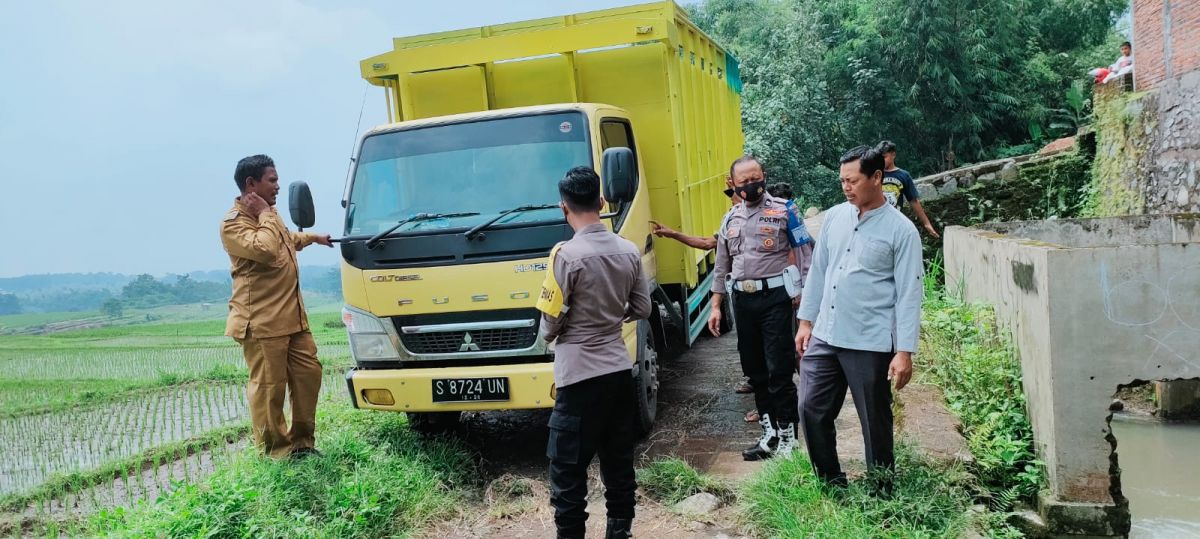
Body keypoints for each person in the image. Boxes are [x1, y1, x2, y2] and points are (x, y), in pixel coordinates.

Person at [794, 145, 923, 490]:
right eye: (842, 181)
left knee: (874, 420)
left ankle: (881, 489)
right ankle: (831, 483)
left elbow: (910, 294)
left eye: (852, 181)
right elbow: (818, 272)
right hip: (826, 333)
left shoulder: (901, 231)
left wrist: (904, 351)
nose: (846, 187)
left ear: (877, 177)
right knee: (810, 408)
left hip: (869, 340)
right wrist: (806, 322)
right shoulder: (835, 217)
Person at [537, 166, 652, 539]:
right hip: (618, 370)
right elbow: (643, 308)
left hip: (578, 378)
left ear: (563, 207)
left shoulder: (566, 256)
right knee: (618, 461)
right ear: (601, 203)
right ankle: (620, 532)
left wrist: (567, 328)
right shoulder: (628, 250)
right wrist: (610, 316)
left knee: (567, 468)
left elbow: (550, 323)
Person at [220, 154, 333, 459]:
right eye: (273, 180)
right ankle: (276, 454)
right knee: (270, 389)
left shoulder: (270, 217)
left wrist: (314, 237)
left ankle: (302, 445)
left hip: (293, 318)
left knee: (309, 376)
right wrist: (266, 214)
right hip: (262, 322)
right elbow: (267, 249)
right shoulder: (234, 224)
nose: (278, 186)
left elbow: (286, 238)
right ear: (251, 184)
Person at [708, 155, 814, 461]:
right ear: (733, 185)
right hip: (743, 301)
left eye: (756, 178)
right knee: (756, 372)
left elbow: (805, 257)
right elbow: (721, 266)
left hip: (776, 299)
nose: (752, 185)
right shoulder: (730, 219)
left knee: (779, 370)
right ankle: (768, 436)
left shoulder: (785, 211)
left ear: (764, 176)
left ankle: (789, 440)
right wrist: (716, 306)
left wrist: (806, 304)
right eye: (744, 182)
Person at [650, 187, 760, 419]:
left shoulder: (768, 219)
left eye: (734, 195)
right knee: (750, 347)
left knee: (771, 353)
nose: (732, 200)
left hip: (768, 298)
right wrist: (672, 234)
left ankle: (769, 406)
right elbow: (706, 243)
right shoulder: (731, 223)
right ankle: (756, 383)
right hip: (743, 297)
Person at [876, 141, 939, 239]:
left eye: (884, 157)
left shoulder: (904, 176)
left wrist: (926, 223)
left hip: (895, 223)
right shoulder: (876, 175)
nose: (881, 161)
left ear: (893, 155)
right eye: (879, 158)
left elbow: (913, 201)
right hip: (878, 221)